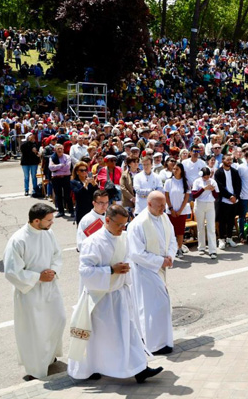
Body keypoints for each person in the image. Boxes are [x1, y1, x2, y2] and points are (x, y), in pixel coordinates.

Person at [67, 205, 164, 384]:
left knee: (129, 333)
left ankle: (140, 369)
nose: (122, 229)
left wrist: (125, 269)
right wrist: (111, 270)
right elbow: (85, 271)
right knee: (98, 339)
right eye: (119, 225)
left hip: (119, 295)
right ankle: (90, 369)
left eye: (125, 225)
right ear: (107, 220)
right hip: (100, 300)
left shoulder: (124, 237)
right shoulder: (93, 242)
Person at [3, 204, 66, 381]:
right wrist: (38, 277)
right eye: (49, 220)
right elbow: (11, 271)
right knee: (34, 329)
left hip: (50, 287)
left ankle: (49, 356)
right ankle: (34, 367)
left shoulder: (48, 233)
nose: (52, 223)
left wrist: (53, 271)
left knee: (58, 320)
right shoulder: (18, 240)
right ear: (36, 220)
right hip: (29, 291)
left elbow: (57, 254)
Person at [128, 191, 177, 355]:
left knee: (162, 306)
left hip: (160, 268)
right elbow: (135, 253)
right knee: (150, 307)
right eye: (160, 206)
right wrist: (159, 261)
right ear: (149, 204)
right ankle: (153, 344)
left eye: (164, 205)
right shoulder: (138, 224)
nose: (164, 209)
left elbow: (172, 239)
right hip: (145, 270)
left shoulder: (164, 217)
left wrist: (170, 255)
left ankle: (164, 341)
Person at [163, 163, 191, 257]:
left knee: (180, 232)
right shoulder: (168, 182)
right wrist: (171, 209)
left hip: (181, 211)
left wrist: (179, 211)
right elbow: (166, 196)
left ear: (181, 171)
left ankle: (179, 249)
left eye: (177, 169)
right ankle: (170, 250)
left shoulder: (185, 182)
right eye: (174, 169)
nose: (175, 171)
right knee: (170, 232)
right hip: (170, 211)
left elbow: (186, 198)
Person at [215, 153, 241, 249]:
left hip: (234, 200)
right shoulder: (218, 172)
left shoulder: (234, 171)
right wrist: (230, 196)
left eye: (231, 160)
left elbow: (238, 185)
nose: (229, 161)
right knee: (222, 221)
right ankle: (221, 239)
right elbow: (220, 187)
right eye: (227, 159)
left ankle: (229, 238)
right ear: (223, 160)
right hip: (223, 200)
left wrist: (235, 196)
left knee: (231, 220)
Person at [191, 167, 218, 259]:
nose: (206, 178)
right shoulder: (197, 181)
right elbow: (194, 195)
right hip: (199, 205)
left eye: (208, 176)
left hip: (210, 205)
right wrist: (203, 188)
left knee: (211, 227)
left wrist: (212, 189)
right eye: (205, 176)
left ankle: (213, 250)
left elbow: (216, 195)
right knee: (200, 226)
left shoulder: (213, 181)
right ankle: (201, 247)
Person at [48, 144, 73, 218]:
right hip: (56, 179)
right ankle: (61, 211)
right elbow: (51, 168)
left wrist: (57, 167)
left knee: (67, 195)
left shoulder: (67, 157)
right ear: (55, 149)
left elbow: (67, 168)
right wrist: (61, 165)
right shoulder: (52, 158)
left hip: (66, 178)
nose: (60, 150)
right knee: (58, 195)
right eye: (58, 148)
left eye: (61, 148)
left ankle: (71, 211)